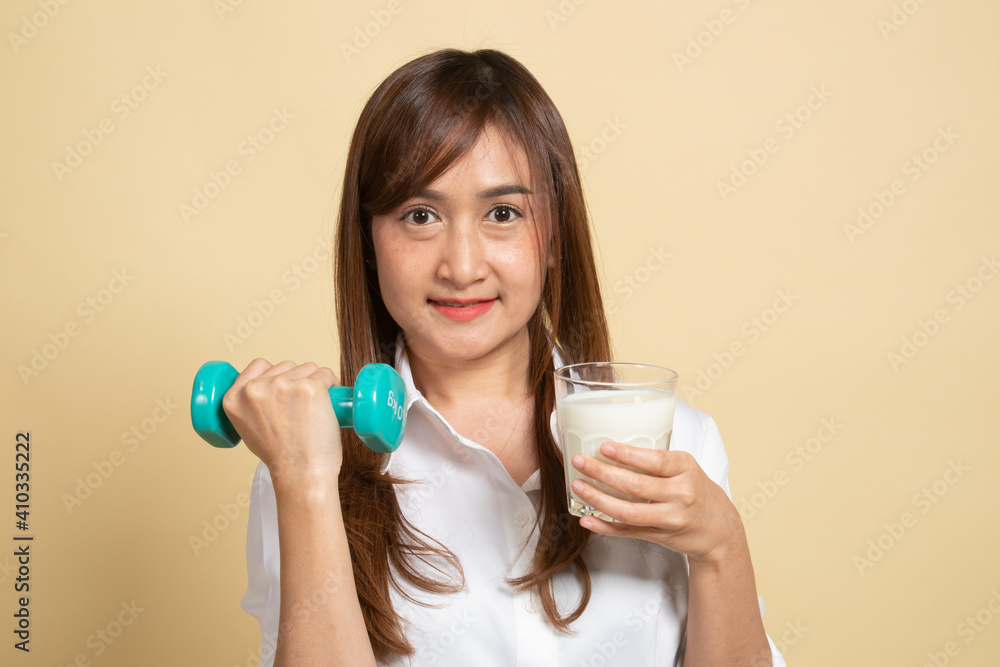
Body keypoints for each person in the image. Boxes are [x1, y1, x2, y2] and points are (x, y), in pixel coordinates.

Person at [227, 48, 786, 666]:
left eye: (502, 213)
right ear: (369, 245)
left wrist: (722, 549)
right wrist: (305, 483)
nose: (462, 266)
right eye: (419, 215)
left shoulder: (679, 442)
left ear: (552, 237)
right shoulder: (307, 455)